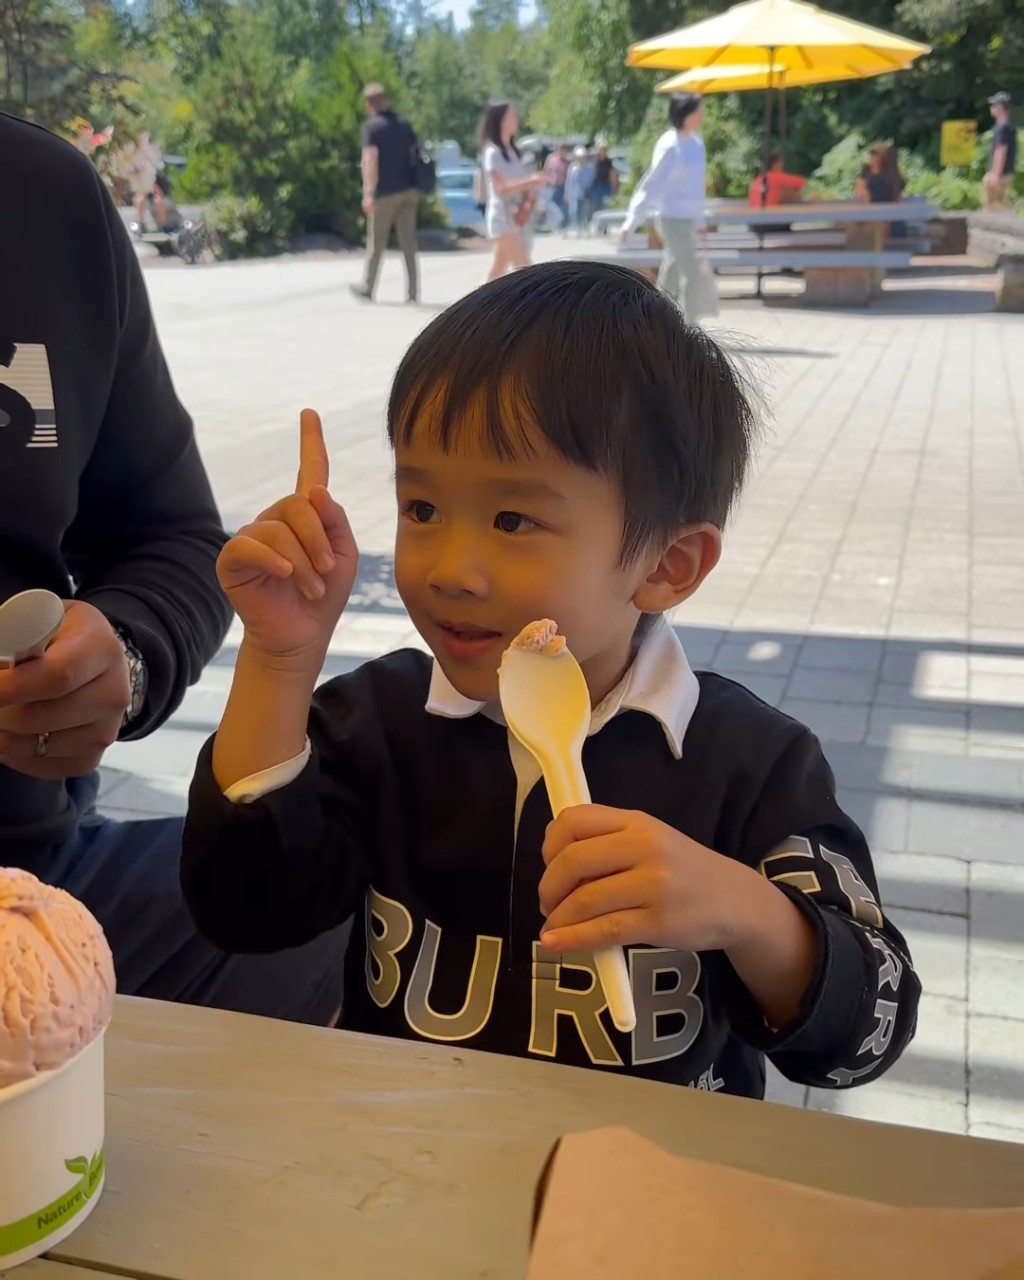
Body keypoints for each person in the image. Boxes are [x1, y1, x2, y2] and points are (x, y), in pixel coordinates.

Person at [181, 259, 920, 1100]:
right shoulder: (374, 725)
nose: (452, 569)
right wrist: (279, 661)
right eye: (422, 508)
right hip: (407, 1169)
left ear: (666, 565)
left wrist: (747, 912)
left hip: (648, 1187)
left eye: (512, 519)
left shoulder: (749, 764)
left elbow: (868, 1036)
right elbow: (241, 910)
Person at [0, 113, 342, 1025]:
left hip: (34, 877)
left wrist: (123, 659)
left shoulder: (43, 197)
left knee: (386, 910)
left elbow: (175, 536)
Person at [621, 94, 707, 319]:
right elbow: (652, 183)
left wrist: (700, 221)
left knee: (674, 268)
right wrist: (632, 220)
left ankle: (654, 316)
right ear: (685, 114)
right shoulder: (670, 144)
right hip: (672, 218)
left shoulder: (697, 144)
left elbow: (697, 189)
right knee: (690, 271)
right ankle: (690, 327)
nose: (702, 116)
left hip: (689, 219)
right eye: (698, 111)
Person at [351, 83, 420, 305]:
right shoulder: (403, 124)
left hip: (385, 193)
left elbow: (370, 159)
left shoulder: (373, 128)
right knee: (408, 243)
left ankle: (368, 288)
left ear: (368, 105)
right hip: (409, 191)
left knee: (377, 243)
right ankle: (412, 292)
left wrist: (368, 192)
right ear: (386, 101)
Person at [478, 101, 547, 281]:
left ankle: (481, 308)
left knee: (496, 273)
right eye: (512, 116)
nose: (516, 119)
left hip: (516, 218)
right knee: (525, 271)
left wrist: (530, 198)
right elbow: (501, 188)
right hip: (502, 218)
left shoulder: (514, 152)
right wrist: (531, 180)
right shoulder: (492, 153)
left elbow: (521, 186)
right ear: (500, 120)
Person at [984, 92, 1017, 212]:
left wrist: (995, 174)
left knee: (992, 204)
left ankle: (1015, 215)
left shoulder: (1002, 127)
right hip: (1007, 171)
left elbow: (1001, 151)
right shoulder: (1009, 125)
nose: (991, 108)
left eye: (994, 105)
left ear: (1001, 107)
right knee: (998, 203)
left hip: (1000, 173)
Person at [565, 146, 593, 236]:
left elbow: (590, 180)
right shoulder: (573, 168)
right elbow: (569, 181)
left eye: (582, 157)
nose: (581, 159)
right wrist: (567, 193)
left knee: (585, 212)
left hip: (585, 194)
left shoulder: (589, 168)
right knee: (574, 212)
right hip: (575, 193)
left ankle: (585, 229)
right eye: (579, 157)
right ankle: (577, 229)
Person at [590, 141, 619, 213]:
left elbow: (612, 175)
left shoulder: (609, 163)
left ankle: (605, 222)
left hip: (605, 186)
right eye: (601, 150)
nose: (602, 152)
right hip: (597, 187)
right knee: (597, 206)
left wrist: (614, 189)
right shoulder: (595, 162)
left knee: (605, 205)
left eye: (604, 150)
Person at [543, 143, 570, 221]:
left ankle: (562, 224)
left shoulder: (567, 163)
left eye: (564, 150)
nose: (562, 151)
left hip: (562, 187)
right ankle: (551, 222)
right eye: (560, 149)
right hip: (552, 186)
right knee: (550, 205)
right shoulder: (551, 159)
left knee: (561, 206)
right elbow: (546, 171)